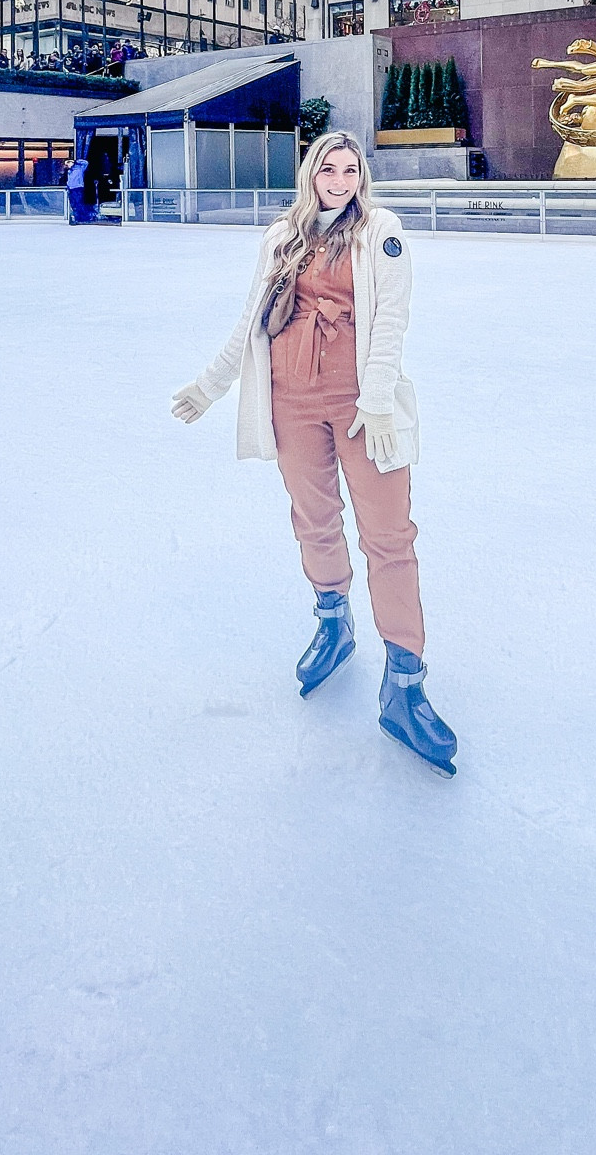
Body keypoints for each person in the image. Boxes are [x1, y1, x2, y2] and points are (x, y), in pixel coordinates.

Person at [171, 131, 457, 776]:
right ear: (311, 174)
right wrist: (211, 386)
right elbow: (251, 321)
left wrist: (377, 399)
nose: (340, 180)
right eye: (329, 169)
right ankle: (334, 622)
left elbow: (392, 320)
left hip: (361, 404)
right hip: (291, 400)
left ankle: (404, 682)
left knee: (389, 536)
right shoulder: (283, 237)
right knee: (314, 520)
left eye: (351, 170)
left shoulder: (380, 231)